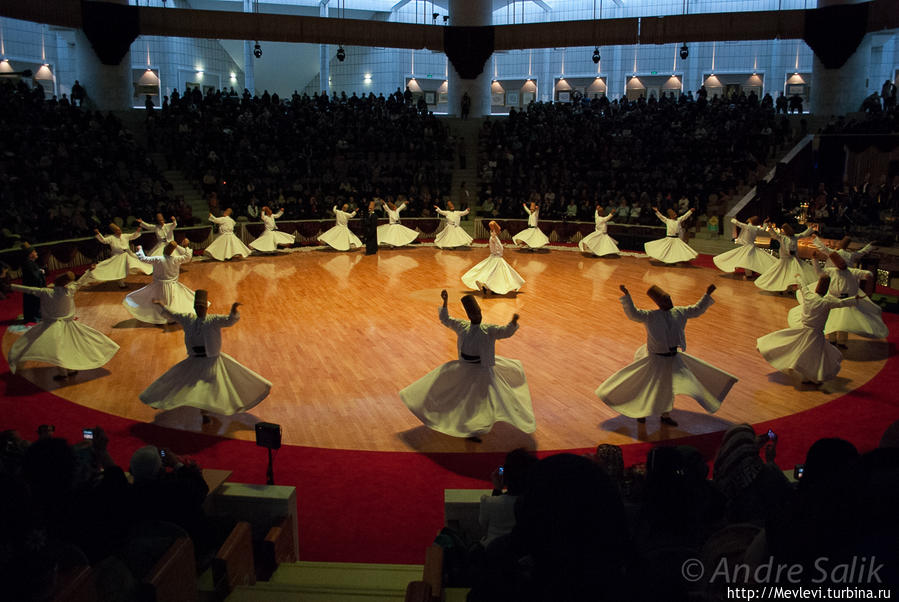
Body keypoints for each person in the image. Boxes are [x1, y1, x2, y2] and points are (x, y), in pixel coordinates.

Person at [399, 290, 535, 441]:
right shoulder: (462, 326)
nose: (476, 315)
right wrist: (445, 301)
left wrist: (513, 323)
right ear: (469, 316)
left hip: (482, 371)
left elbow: (505, 332)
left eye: (477, 312)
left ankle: (475, 426)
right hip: (465, 369)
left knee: (479, 401)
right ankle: (467, 426)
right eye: (473, 313)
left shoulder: (488, 330)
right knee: (465, 400)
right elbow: (446, 319)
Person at [596, 284, 737, 426]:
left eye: (669, 298)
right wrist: (627, 297)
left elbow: (697, 309)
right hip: (655, 359)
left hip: (673, 358)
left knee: (667, 388)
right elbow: (633, 314)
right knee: (648, 386)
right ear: (658, 303)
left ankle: (665, 415)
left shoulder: (680, 312)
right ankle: (642, 412)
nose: (669, 302)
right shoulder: (650, 316)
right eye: (665, 300)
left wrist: (707, 294)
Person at [139, 290, 271, 416]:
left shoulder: (213, 320)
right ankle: (161, 399)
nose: (199, 309)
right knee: (175, 379)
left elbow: (229, 320)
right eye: (197, 307)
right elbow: (173, 314)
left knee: (208, 386)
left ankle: (205, 410)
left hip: (211, 361)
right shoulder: (188, 319)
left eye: (201, 307)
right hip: (194, 359)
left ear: (206, 308)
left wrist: (233, 311)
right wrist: (161, 305)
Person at [8, 271, 118, 379]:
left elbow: (28, 290)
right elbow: (80, 282)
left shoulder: (46, 292)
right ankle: (70, 369)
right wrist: (89, 271)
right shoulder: (70, 291)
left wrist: (11, 286)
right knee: (68, 347)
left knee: (57, 350)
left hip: (51, 326)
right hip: (69, 325)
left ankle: (63, 372)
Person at [757, 275, 859, 385]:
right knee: (813, 356)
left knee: (803, 351)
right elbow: (841, 303)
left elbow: (803, 286)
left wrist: (798, 278)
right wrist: (854, 299)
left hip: (805, 329)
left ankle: (806, 374)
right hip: (815, 334)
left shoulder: (809, 296)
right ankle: (810, 376)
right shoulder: (827, 302)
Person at [787, 251, 887, 347]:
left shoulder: (852, 272)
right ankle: (832, 340)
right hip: (833, 298)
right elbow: (819, 272)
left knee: (844, 323)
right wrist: (815, 260)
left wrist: (868, 275)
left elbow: (865, 273)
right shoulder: (831, 271)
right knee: (832, 321)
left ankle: (842, 341)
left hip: (845, 299)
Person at [123, 240, 195, 324]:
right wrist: (186, 246)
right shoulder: (176, 259)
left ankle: (160, 318)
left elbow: (143, 258)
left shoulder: (158, 259)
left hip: (159, 285)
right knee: (171, 301)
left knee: (159, 302)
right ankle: (171, 318)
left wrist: (140, 249)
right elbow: (188, 256)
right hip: (172, 285)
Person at [461, 221, 525, 295]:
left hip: (495, 257)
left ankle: (487, 286)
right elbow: (497, 245)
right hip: (496, 258)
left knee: (493, 273)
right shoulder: (493, 237)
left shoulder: (494, 237)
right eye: (497, 230)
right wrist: (493, 227)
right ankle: (490, 287)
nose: (499, 231)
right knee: (499, 274)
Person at [754, 221, 817, 293]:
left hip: (792, 259)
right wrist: (770, 228)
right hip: (785, 260)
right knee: (783, 275)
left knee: (792, 274)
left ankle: (790, 288)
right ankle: (783, 288)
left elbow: (804, 234)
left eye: (782, 230)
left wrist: (811, 228)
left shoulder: (794, 237)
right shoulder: (782, 238)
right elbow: (774, 234)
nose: (781, 231)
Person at [712, 216, 777, 278]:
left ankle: (749, 274)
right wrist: (765, 223)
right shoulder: (756, 228)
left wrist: (732, 219)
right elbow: (763, 229)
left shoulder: (747, 226)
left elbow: (738, 223)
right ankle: (751, 272)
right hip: (752, 246)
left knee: (746, 260)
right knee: (751, 260)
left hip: (748, 247)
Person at [20, 245, 46, 323]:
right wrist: (41, 272)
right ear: (30, 254)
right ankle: (34, 317)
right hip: (32, 287)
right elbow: (34, 275)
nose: (36, 253)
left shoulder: (30, 262)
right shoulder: (28, 263)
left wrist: (39, 270)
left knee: (35, 302)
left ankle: (36, 316)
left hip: (33, 286)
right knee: (33, 302)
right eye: (34, 252)